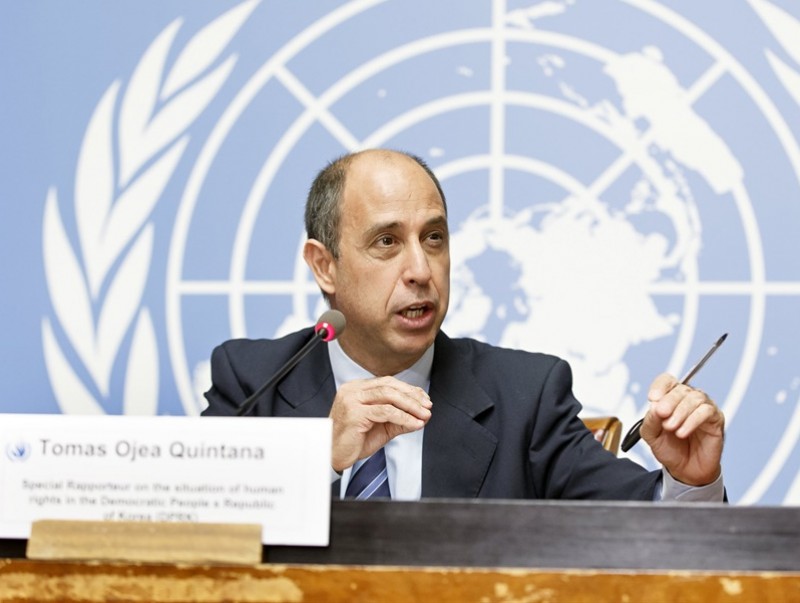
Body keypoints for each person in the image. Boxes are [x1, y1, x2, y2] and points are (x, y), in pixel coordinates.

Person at [203, 149, 725, 502]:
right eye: (387, 242)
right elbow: (197, 534)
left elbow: (636, 527)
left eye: (433, 238)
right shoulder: (253, 383)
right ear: (324, 266)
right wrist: (320, 461)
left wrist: (690, 482)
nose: (420, 270)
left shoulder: (525, 396)